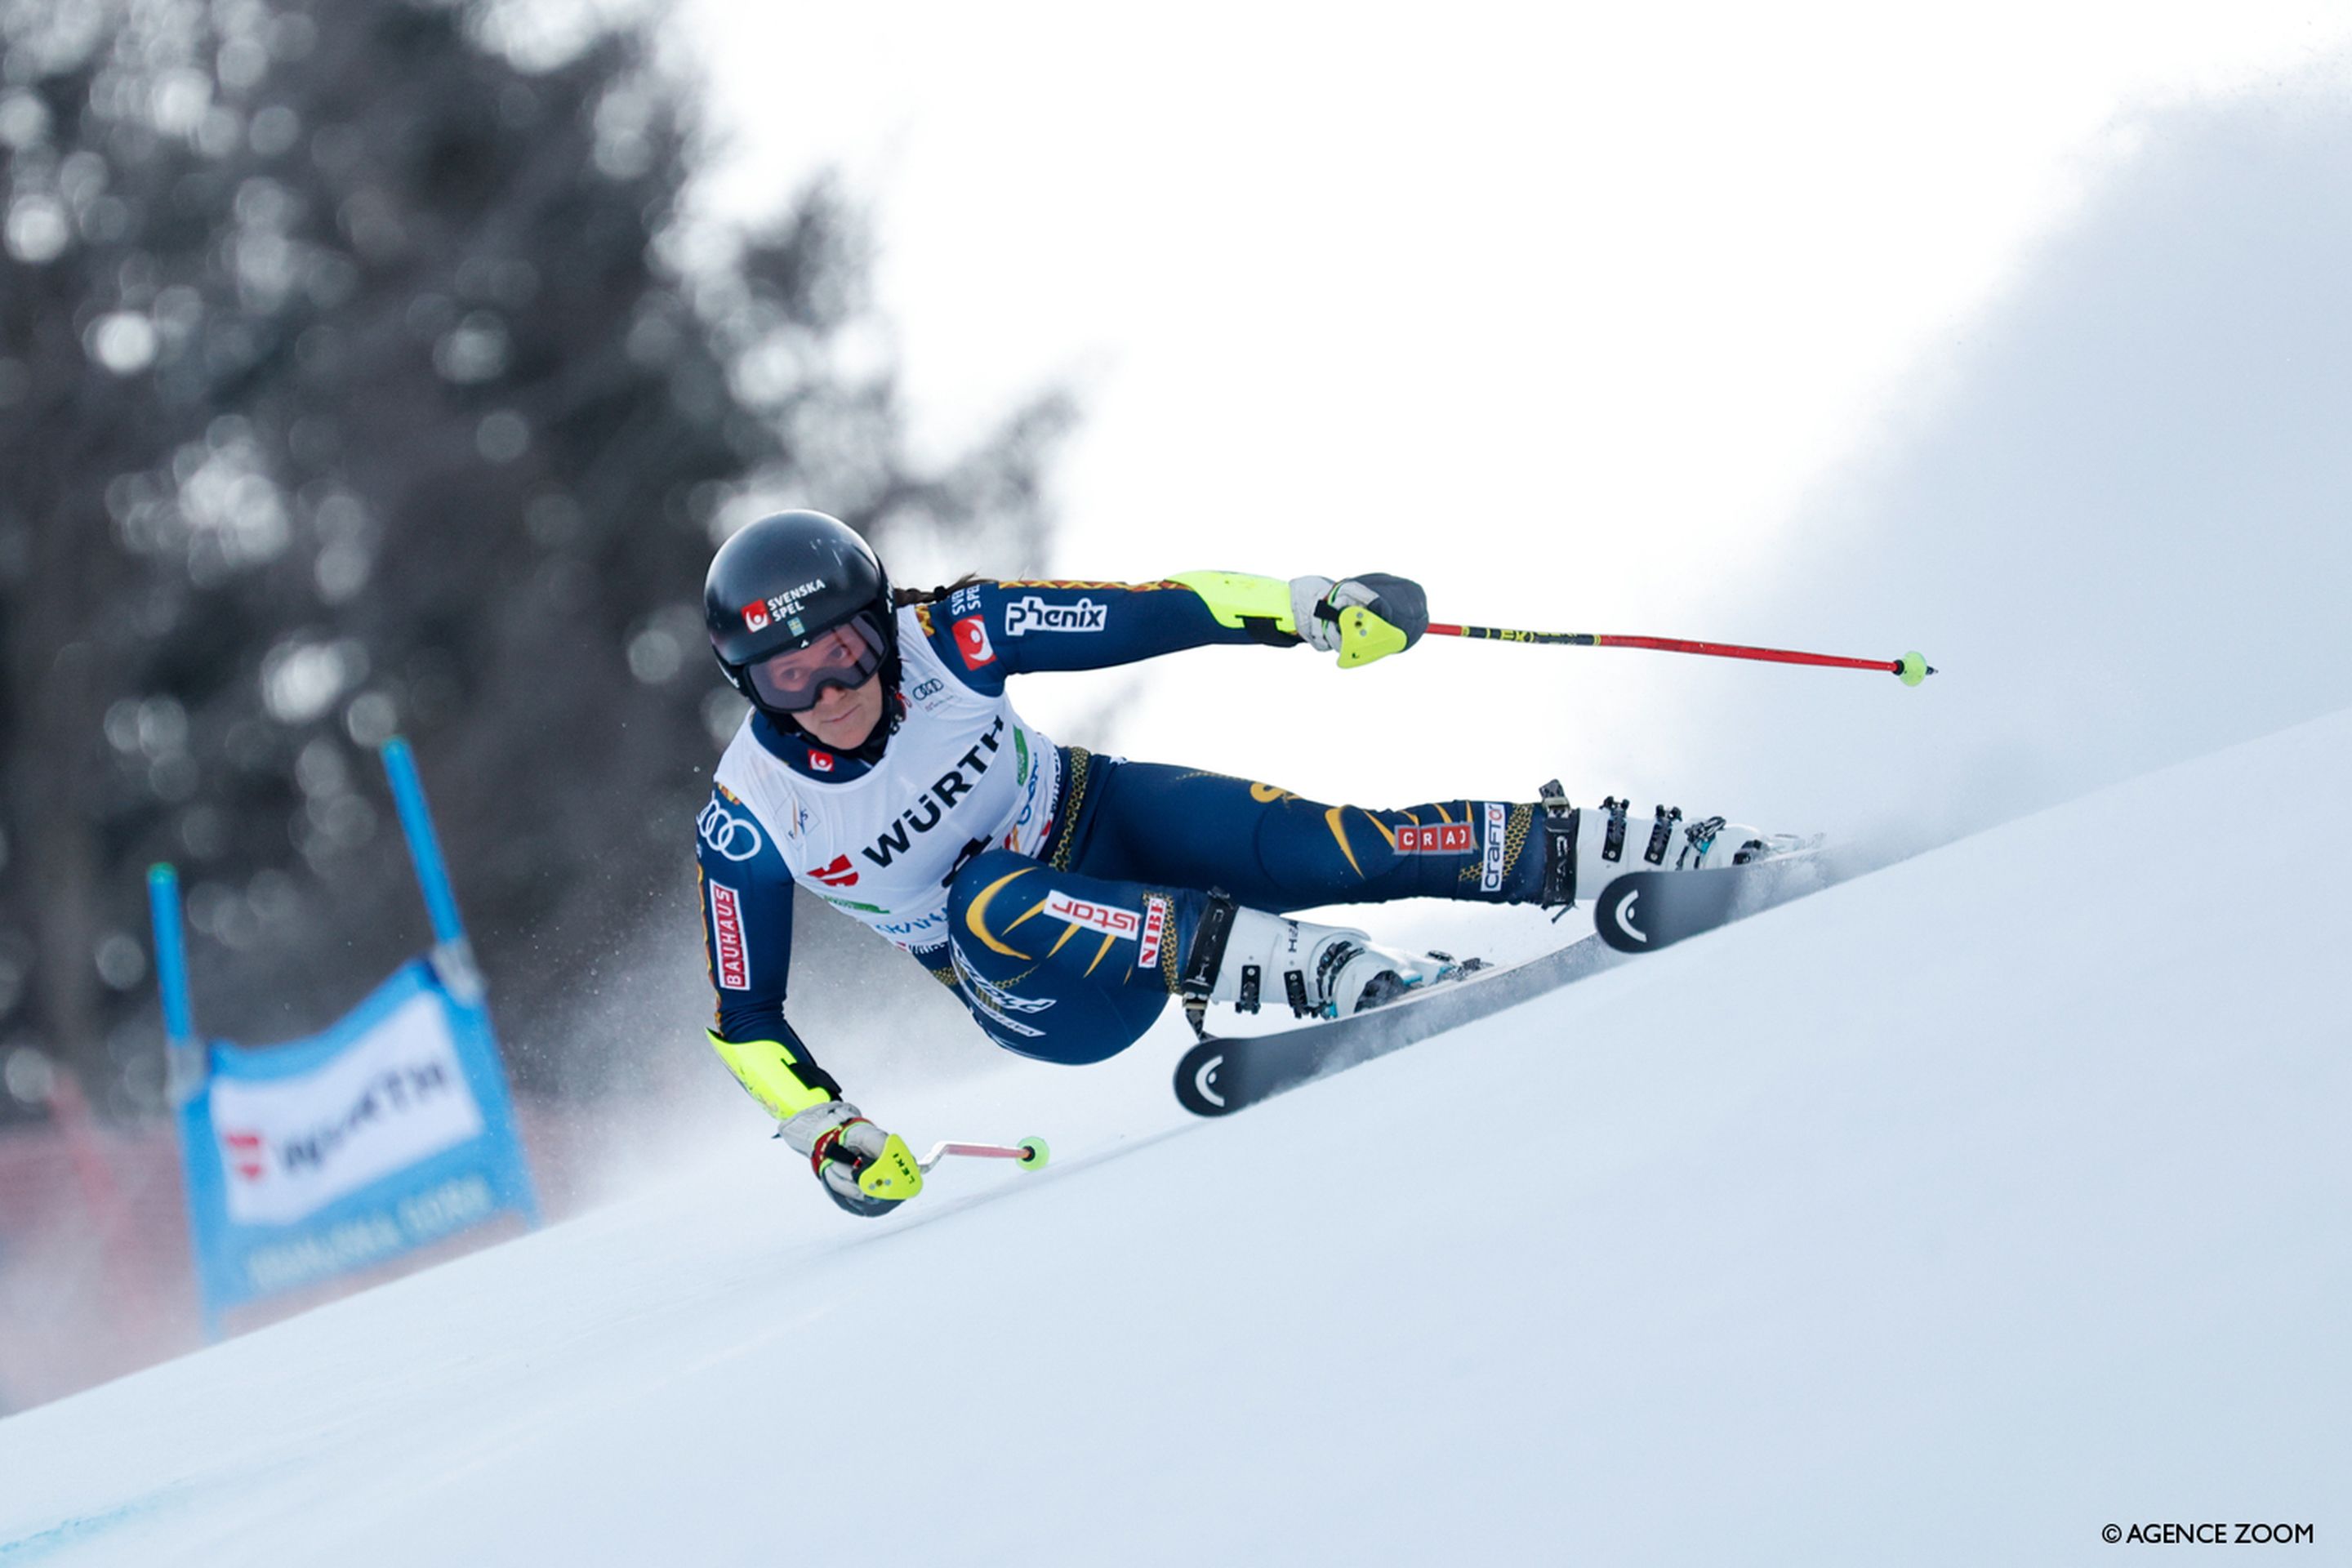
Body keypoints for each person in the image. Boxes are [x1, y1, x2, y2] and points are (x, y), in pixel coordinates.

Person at [694, 510, 1775, 1215]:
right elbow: (747, 1022)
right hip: (1044, 983)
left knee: (1339, 843)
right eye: (789, 677)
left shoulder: (959, 634)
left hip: (1100, 813)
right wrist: (829, 1133)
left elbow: (1165, 609)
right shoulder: (752, 815)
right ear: (752, 688)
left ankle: (1631, 846)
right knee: (983, 891)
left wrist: (1311, 607)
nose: (830, 693)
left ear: (881, 624)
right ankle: (1304, 974)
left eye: (843, 651)